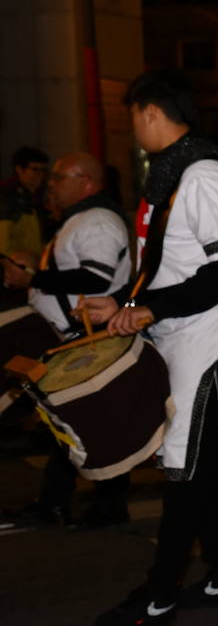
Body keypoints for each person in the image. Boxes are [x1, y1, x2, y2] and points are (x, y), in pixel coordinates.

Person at [79, 69, 218, 626]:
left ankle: (159, 595)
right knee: (201, 467)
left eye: (133, 114)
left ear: (151, 112)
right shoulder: (174, 174)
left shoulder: (203, 175)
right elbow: (170, 266)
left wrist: (150, 310)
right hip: (181, 339)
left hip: (206, 346)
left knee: (185, 470)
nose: (133, 125)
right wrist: (124, 301)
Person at [1, 152, 132, 527]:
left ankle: (95, 504)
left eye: (59, 177)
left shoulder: (98, 221)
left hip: (86, 339)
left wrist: (34, 280)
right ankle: (63, 503)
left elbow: (96, 279)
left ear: (85, 180)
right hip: (71, 336)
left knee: (87, 423)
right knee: (69, 422)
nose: (51, 184)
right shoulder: (82, 220)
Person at [0, 146, 52, 257]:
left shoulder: (35, 197)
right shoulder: (7, 197)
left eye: (43, 170)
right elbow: (2, 244)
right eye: (35, 169)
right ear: (19, 170)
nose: (40, 174)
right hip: (16, 268)